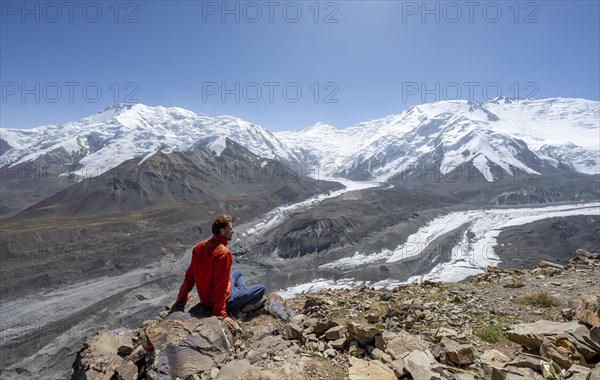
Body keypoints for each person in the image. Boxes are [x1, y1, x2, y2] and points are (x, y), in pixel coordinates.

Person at [174, 214, 266, 330]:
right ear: (222, 231)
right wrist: (221, 314)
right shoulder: (223, 253)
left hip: (206, 298)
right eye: (230, 229)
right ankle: (239, 299)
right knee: (260, 289)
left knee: (238, 273)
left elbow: (190, 276)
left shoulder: (198, 247)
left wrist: (182, 298)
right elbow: (220, 286)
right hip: (219, 301)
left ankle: (240, 292)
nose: (232, 231)